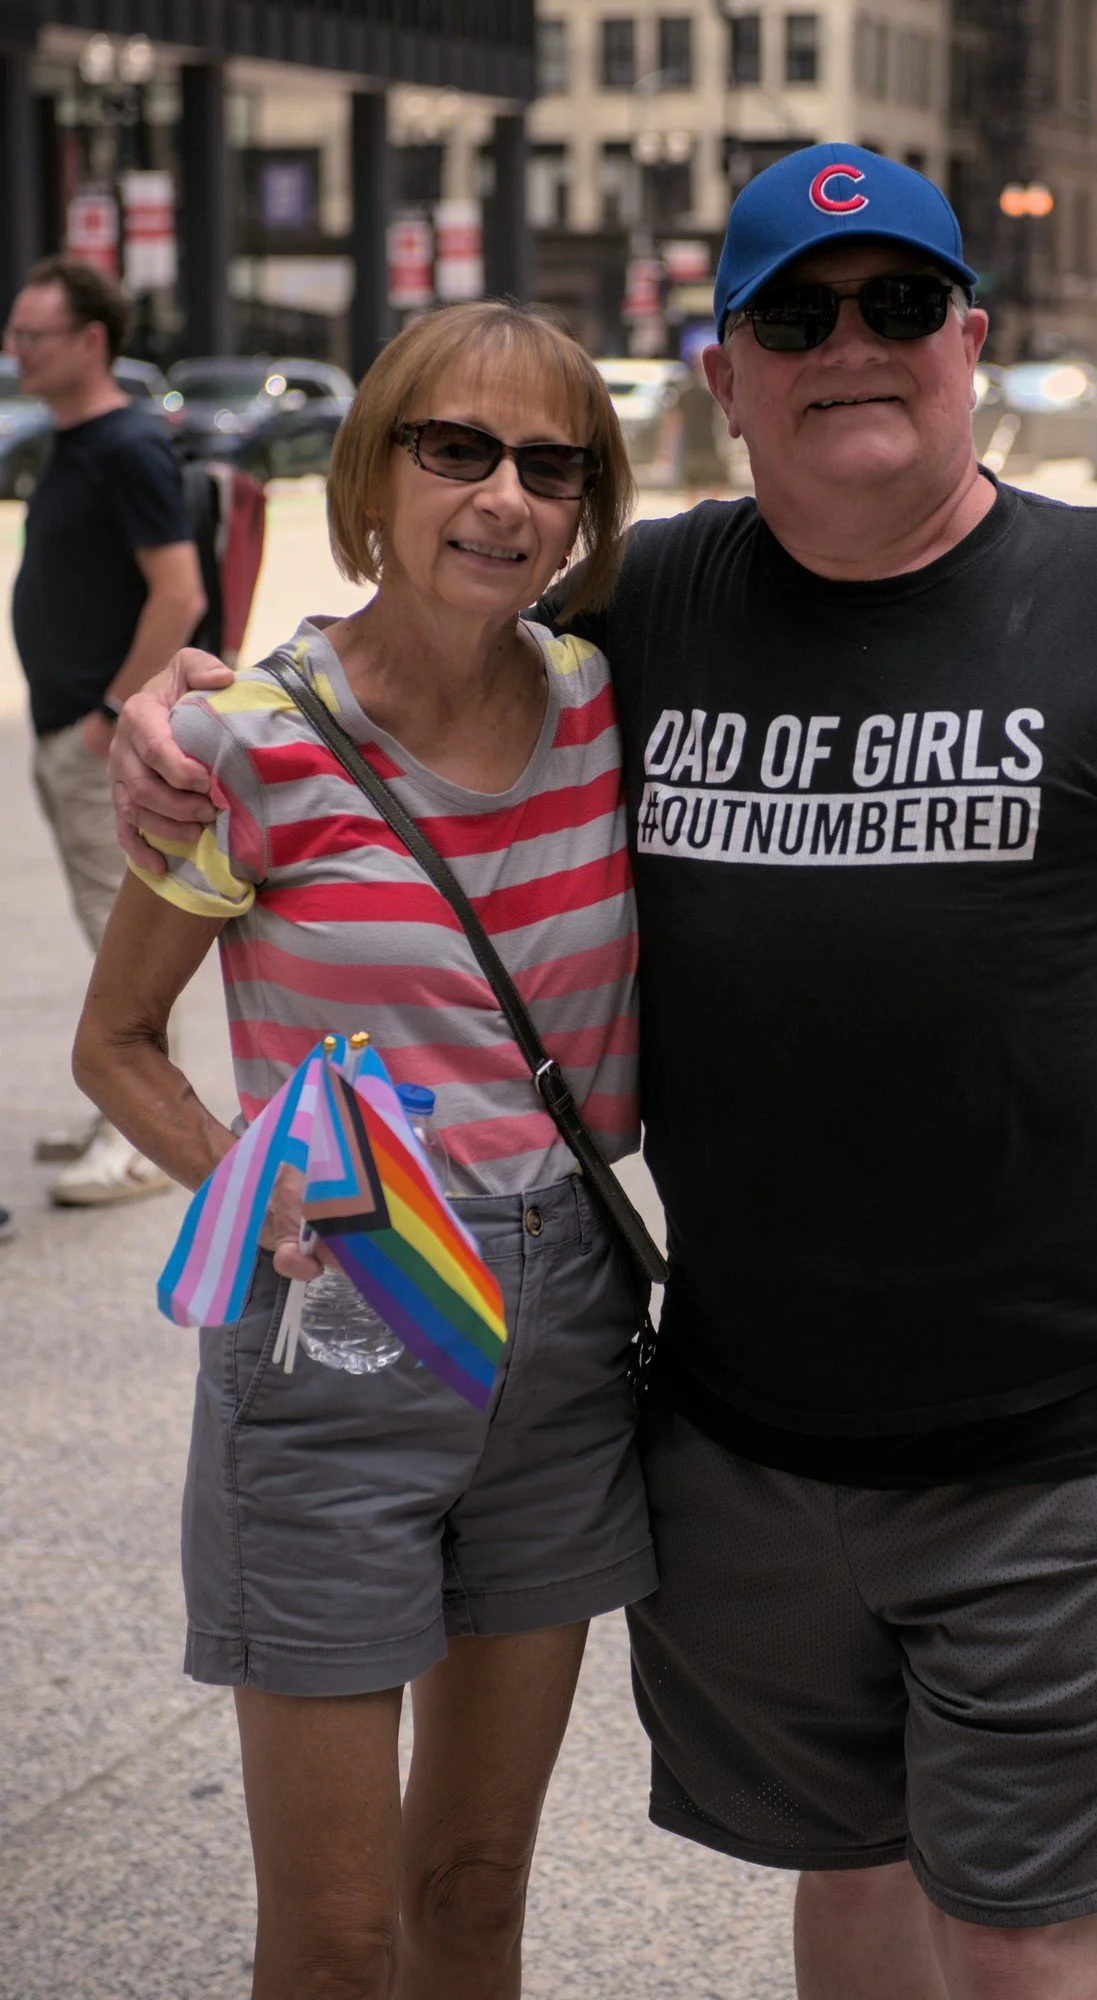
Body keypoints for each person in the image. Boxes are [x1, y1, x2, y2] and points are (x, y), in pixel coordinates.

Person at [113, 147, 1097, 2000]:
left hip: (1052, 1429)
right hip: (740, 1434)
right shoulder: (647, 611)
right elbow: (398, 668)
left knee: (1024, 1934)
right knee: (842, 1879)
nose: (846, 348)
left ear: (969, 333)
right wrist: (182, 706)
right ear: (724, 376)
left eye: (893, 308)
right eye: (794, 315)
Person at [76, 302, 653, 1998]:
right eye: (454, 449)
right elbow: (115, 1045)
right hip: (344, 1334)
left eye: (549, 466)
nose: (501, 498)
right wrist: (275, 1214)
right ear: (373, 470)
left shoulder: (601, 707)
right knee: (333, 1940)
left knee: (473, 1890)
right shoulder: (252, 746)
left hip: (559, 1338)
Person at [5, 255, 206, 1206]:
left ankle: (143, 1142)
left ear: (91, 342)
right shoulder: (75, 440)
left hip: (99, 737)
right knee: (104, 933)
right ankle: (117, 1115)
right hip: (68, 730)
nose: (16, 351)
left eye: (32, 336)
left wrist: (111, 718)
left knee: (123, 941)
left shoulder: (126, 446)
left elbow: (180, 593)